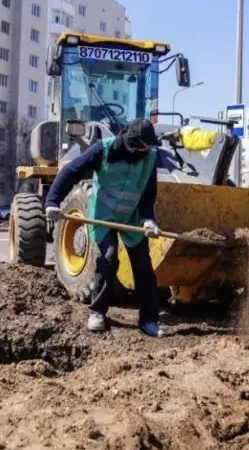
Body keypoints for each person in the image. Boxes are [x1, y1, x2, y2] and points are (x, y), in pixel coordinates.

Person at [44, 119, 164, 338]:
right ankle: (97, 312)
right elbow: (71, 172)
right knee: (108, 258)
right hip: (103, 215)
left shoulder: (150, 157)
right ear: (131, 143)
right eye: (144, 146)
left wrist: (148, 219)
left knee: (143, 266)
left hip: (132, 217)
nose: (147, 150)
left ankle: (149, 319)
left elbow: (149, 192)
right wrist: (52, 202)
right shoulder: (103, 149)